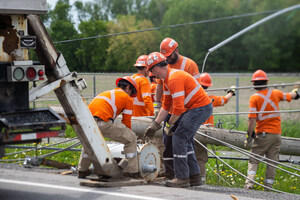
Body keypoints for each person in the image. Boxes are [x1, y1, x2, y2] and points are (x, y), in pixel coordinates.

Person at [144, 52, 213, 188]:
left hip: (199, 109)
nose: (152, 75)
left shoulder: (174, 78)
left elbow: (179, 108)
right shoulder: (167, 80)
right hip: (198, 108)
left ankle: (182, 178)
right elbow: (167, 105)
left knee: (179, 138)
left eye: (151, 71)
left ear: (155, 68)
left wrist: (169, 125)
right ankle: (194, 177)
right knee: (185, 140)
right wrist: (156, 124)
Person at [154, 37, 202, 179]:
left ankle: (189, 174)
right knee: (167, 141)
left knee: (184, 141)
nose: (167, 60)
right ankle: (170, 172)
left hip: (185, 111)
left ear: (176, 50)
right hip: (170, 110)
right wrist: (157, 105)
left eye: (169, 56)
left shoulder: (189, 65)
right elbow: (160, 86)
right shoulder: (163, 64)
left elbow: (197, 88)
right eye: (165, 57)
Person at [243, 69, 299, 190]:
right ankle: (269, 188)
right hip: (276, 135)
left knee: (254, 159)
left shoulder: (254, 98)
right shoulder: (276, 93)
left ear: (254, 84)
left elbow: (252, 119)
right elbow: (292, 96)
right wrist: (295, 91)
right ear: (266, 82)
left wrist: (249, 135)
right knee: (272, 162)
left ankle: (249, 184)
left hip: (263, 134)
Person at [78, 76, 140, 179]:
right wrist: (128, 134)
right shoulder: (127, 98)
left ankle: (82, 170)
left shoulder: (106, 93)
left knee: (90, 142)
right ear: (128, 87)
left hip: (87, 122)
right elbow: (126, 122)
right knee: (131, 139)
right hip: (103, 122)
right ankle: (131, 171)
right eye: (131, 92)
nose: (131, 95)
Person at [194, 72, 236, 184]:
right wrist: (231, 92)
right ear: (208, 86)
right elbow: (224, 100)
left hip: (191, 129)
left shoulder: (191, 96)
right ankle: (200, 181)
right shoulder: (210, 98)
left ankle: (189, 178)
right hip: (205, 132)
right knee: (201, 158)